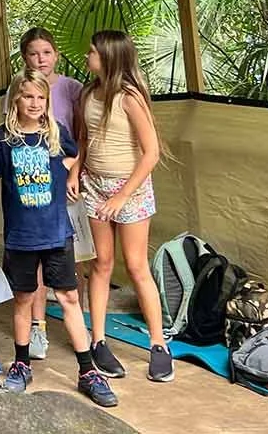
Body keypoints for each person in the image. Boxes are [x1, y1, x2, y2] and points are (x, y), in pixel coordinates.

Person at [0, 69, 117, 408]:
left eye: (41, 97)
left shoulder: (55, 133)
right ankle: (21, 364)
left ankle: (88, 371)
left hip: (57, 233)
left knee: (69, 297)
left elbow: (76, 153)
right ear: (15, 98)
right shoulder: (1, 138)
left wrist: (69, 174)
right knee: (23, 299)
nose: (35, 103)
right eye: (28, 96)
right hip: (21, 236)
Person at [77, 30, 174, 383]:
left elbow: (151, 153)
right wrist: (75, 171)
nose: (87, 56)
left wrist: (121, 197)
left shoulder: (130, 97)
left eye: (92, 52)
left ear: (109, 57)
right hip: (94, 186)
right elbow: (86, 139)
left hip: (129, 190)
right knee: (100, 264)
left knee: (136, 266)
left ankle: (159, 344)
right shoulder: (88, 93)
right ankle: (98, 340)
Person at [18, 26, 84, 359]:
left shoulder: (72, 88)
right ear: (24, 57)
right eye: (33, 53)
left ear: (56, 54)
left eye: (46, 52)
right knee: (37, 259)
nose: (41, 59)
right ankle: (38, 327)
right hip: (33, 188)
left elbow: (82, 136)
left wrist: (74, 173)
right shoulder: (19, 88)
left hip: (68, 183)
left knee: (77, 253)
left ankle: (82, 326)